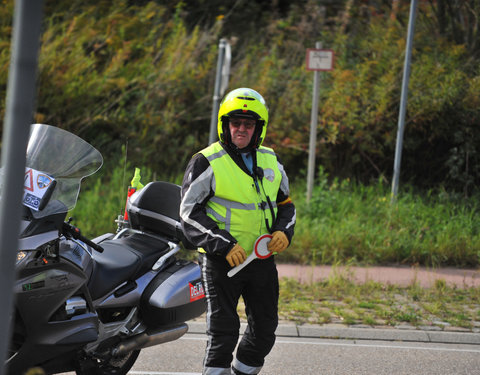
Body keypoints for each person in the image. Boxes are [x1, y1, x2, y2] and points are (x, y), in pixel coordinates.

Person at [180, 88, 296, 375]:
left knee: (266, 329)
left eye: (249, 124)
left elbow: (286, 205)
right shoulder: (206, 161)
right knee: (224, 331)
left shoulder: (272, 161)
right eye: (235, 123)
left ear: (259, 128)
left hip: (261, 259)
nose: (241, 129)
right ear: (225, 124)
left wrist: (283, 231)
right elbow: (188, 213)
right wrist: (224, 245)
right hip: (222, 262)